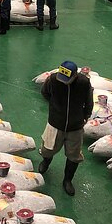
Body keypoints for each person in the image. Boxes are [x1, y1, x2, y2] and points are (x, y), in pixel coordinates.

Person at [38, 61, 93, 196]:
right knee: (47, 149)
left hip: (75, 127)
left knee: (74, 156)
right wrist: (55, 106)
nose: (63, 82)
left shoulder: (84, 82)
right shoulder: (53, 79)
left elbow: (89, 101)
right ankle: (45, 162)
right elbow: (45, 93)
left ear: (75, 76)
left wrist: (86, 116)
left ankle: (67, 180)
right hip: (55, 124)